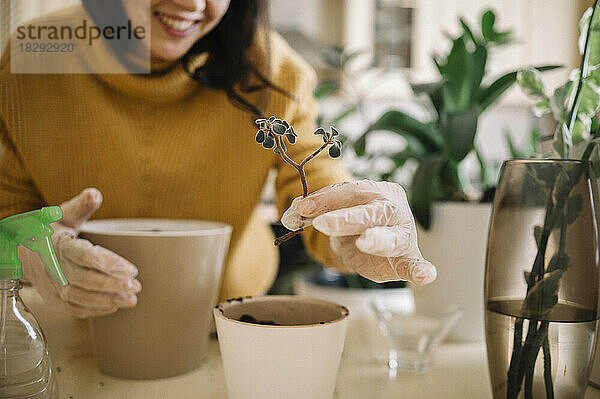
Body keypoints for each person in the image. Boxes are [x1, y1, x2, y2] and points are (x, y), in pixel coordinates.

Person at [0, 0, 436, 319]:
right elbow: (7, 212)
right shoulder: (36, 52)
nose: (193, 4)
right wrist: (37, 250)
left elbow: (314, 178)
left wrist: (354, 221)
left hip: (228, 321)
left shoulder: (273, 69)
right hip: (75, 328)